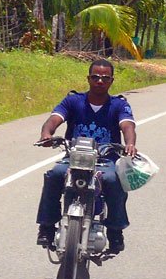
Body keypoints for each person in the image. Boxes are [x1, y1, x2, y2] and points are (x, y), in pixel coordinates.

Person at [36, 59, 137, 254]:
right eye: (95, 77)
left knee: (112, 180)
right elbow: (54, 119)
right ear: (88, 79)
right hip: (74, 157)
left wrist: (130, 143)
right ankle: (46, 227)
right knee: (55, 175)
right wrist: (46, 134)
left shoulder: (119, 105)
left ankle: (115, 231)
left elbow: (127, 126)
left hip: (104, 160)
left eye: (105, 78)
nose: (100, 81)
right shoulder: (73, 101)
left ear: (111, 81)